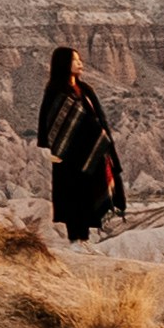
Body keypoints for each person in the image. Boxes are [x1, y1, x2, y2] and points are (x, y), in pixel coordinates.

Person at [37, 42, 125, 241]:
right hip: (67, 156)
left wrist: (104, 142)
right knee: (71, 196)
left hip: (89, 154)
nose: (80, 63)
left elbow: (97, 117)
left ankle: (84, 239)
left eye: (79, 59)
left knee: (87, 196)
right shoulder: (55, 91)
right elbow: (48, 122)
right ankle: (74, 239)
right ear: (63, 63)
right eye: (75, 60)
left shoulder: (84, 89)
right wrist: (50, 148)